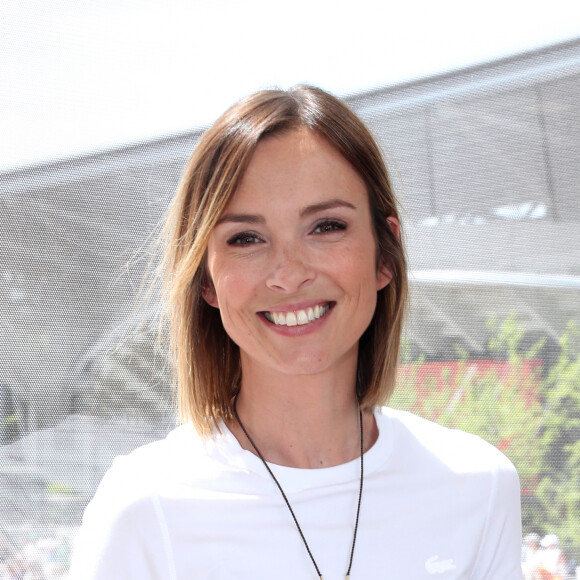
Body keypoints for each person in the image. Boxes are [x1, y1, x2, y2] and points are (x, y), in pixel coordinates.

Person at [69, 85, 523, 579]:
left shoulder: (476, 485)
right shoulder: (143, 507)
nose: (288, 273)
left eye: (326, 227)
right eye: (246, 238)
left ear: (385, 256)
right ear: (206, 280)